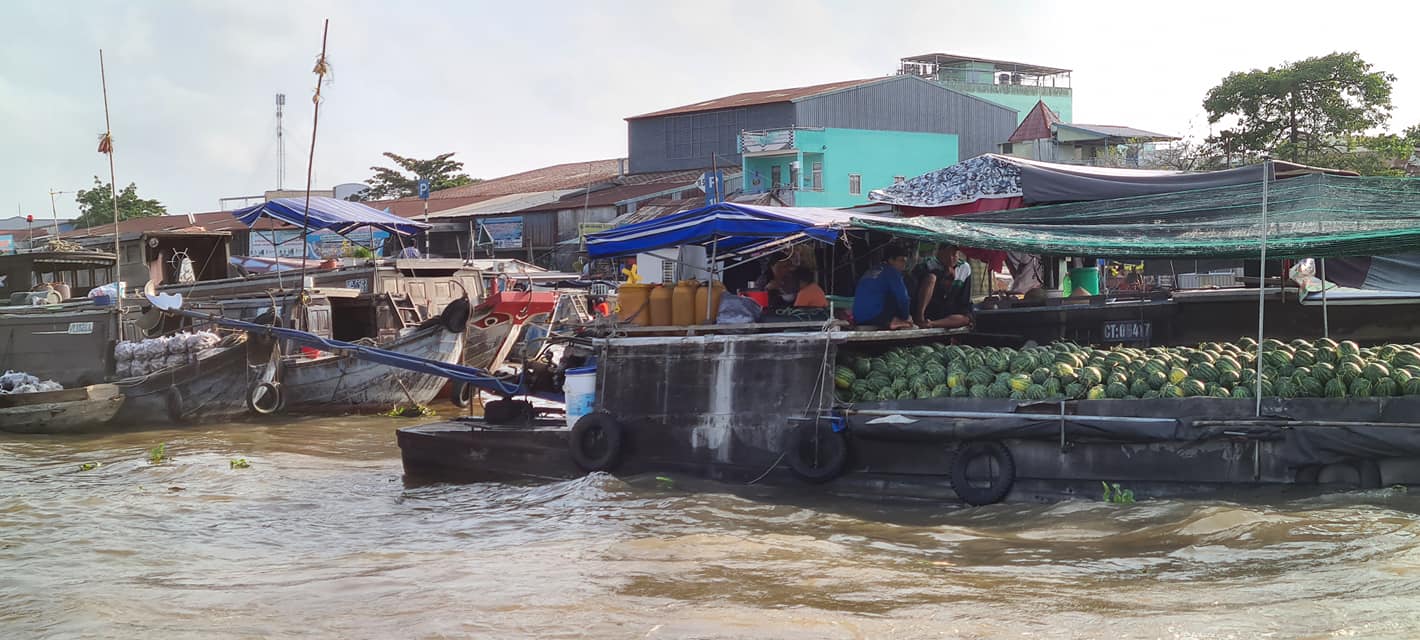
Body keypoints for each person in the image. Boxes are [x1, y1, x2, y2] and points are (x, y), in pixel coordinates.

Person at [852, 245, 914, 330]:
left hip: (859, 318)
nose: (904, 264)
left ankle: (893, 320)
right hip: (876, 318)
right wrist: (905, 317)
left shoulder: (872, 270)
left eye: (905, 261)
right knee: (897, 296)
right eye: (901, 260)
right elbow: (904, 299)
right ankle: (895, 321)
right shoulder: (892, 272)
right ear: (891, 260)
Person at [911, 244, 973, 329]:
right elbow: (914, 294)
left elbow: (964, 301)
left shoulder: (964, 268)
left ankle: (931, 324)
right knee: (931, 278)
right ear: (939, 253)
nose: (952, 258)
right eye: (949, 254)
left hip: (949, 314)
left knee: (966, 319)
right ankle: (920, 319)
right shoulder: (926, 265)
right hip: (929, 310)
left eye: (955, 254)